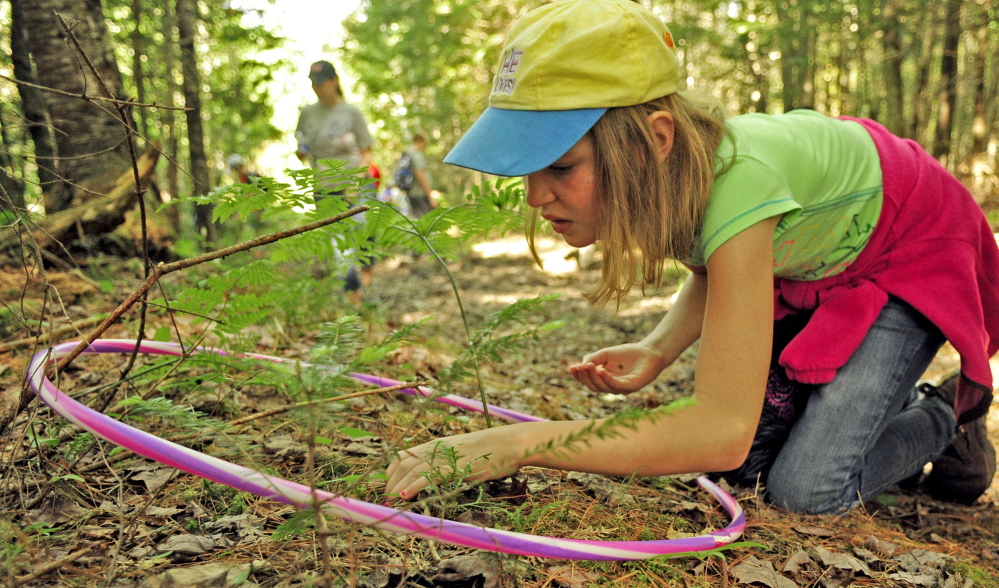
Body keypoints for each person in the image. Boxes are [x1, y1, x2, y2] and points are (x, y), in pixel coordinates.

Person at [385, 0, 999, 513]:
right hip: (829, 254)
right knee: (761, 468)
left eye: (561, 166)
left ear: (655, 140)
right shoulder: (675, 179)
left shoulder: (739, 184)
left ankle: (944, 417)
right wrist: (659, 346)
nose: (536, 195)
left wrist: (520, 443)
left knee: (807, 491)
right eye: (529, 167)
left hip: (911, 243)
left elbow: (718, 433)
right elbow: (716, 260)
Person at [295, 60, 376, 304]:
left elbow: (367, 149)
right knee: (339, 242)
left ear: (334, 82)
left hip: (355, 182)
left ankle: (368, 268)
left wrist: (358, 179)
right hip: (324, 187)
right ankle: (353, 293)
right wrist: (301, 152)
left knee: (363, 228)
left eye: (322, 83)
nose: (318, 88)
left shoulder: (351, 112)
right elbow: (301, 144)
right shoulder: (307, 113)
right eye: (313, 84)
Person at [400, 131, 436, 219]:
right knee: (426, 221)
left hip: (411, 193)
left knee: (416, 218)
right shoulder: (416, 155)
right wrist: (430, 196)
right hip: (420, 194)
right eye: (424, 144)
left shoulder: (407, 154)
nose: (424, 147)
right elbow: (420, 175)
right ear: (420, 141)